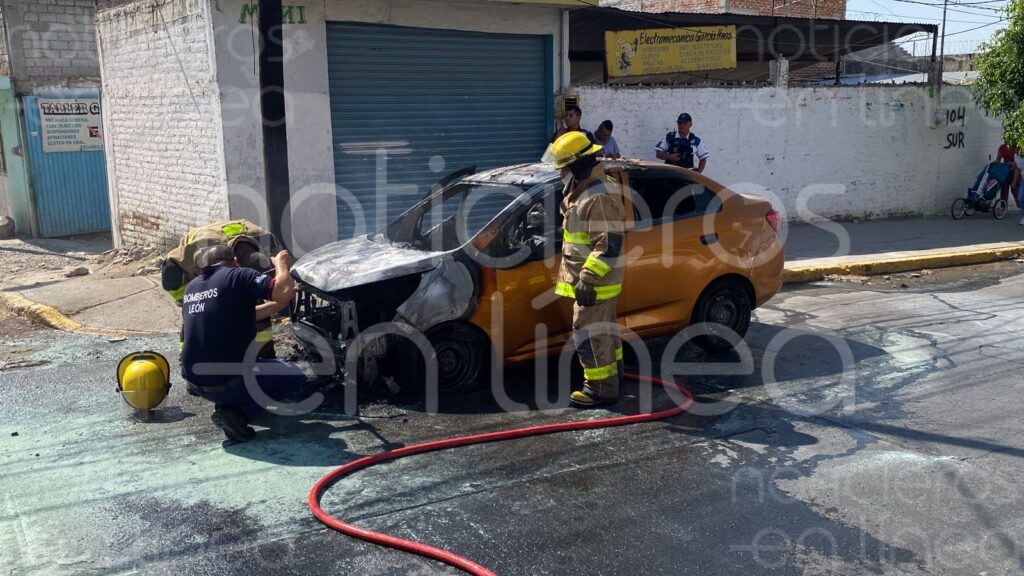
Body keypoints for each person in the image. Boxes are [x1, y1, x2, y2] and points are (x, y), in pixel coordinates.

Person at [181, 244, 300, 442]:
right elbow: (282, 291)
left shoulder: (193, 287)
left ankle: (226, 404)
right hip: (228, 383)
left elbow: (237, 315)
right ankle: (238, 414)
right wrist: (281, 265)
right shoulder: (238, 275)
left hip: (196, 383)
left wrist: (277, 304)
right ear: (234, 262)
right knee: (294, 376)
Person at [542, 131, 626, 408]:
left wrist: (588, 279)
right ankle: (613, 380)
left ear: (578, 164)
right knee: (604, 332)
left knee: (589, 334)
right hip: (595, 281)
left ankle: (599, 389)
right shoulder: (585, 188)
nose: (561, 172)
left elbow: (608, 245)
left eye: (564, 166)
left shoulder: (598, 195)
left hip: (595, 282)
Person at [995, 135, 1020, 211]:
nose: (1006, 140)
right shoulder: (1002, 147)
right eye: (1005, 138)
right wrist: (994, 164)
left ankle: (1021, 206)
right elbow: (998, 160)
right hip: (1005, 171)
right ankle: (1003, 208)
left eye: (1008, 138)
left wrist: (1012, 163)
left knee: (1015, 189)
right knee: (1004, 189)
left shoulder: (1016, 147)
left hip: (1015, 171)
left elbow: (1018, 160)